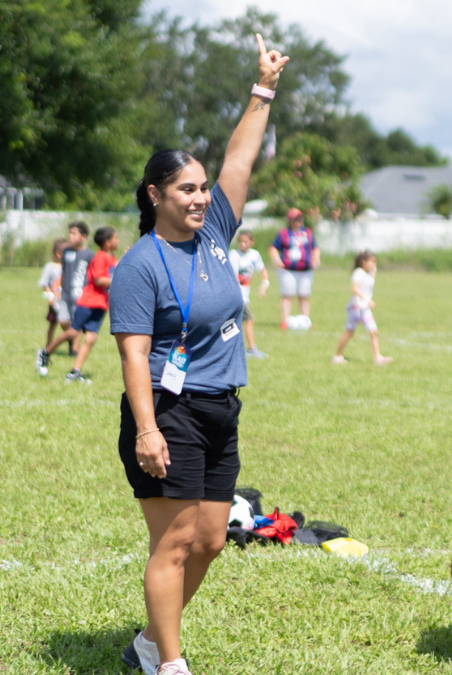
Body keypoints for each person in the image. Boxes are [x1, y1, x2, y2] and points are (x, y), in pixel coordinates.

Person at [107, 34, 288, 675]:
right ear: (155, 194)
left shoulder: (213, 232)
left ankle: (150, 645)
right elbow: (132, 357)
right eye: (185, 189)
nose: (200, 197)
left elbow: (239, 161)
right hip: (169, 411)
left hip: (220, 409)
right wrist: (149, 431)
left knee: (211, 540)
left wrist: (262, 89)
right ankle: (171, 664)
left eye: (202, 187)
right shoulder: (138, 265)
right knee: (176, 541)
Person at [45, 227, 120, 383]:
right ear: (107, 243)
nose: (118, 241)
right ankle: (46, 352)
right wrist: (118, 280)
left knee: (91, 338)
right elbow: (98, 280)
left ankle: (75, 371)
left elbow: (115, 270)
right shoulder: (100, 257)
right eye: (116, 238)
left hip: (101, 304)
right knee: (73, 332)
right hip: (89, 301)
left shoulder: (111, 258)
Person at [333, 250, 391, 365]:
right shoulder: (358, 273)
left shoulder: (367, 274)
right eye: (371, 261)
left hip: (364, 309)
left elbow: (370, 283)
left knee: (373, 331)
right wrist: (367, 300)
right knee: (349, 332)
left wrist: (373, 271)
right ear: (363, 262)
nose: (374, 264)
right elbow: (354, 288)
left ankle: (378, 358)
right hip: (356, 307)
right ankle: (337, 356)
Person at [269, 207, 319, 329]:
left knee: (304, 295)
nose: (297, 221)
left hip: (305, 269)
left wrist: (316, 259)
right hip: (288, 269)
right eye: (294, 219)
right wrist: (277, 260)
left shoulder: (308, 233)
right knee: (287, 295)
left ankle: (306, 320)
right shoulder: (283, 233)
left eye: (299, 219)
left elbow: (315, 247)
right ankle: (285, 321)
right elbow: (273, 247)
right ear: (290, 220)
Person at [227, 229, 269, 358]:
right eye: (240, 242)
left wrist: (265, 283)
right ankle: (251, 349)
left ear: (252, 242)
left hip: (244, 295)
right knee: (249, 320)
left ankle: (230, 350)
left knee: (233, 323)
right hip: (236, 295)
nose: (242, 244)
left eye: (245, 242)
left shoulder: (254, 255)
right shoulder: (234, 254)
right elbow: (230, 275)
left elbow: (262, 270)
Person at [35, 239, 71, 375]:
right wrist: (50, 295)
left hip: (67, 302)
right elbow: (45, 283)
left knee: (68, 325)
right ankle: (48, 346)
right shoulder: (51, 267)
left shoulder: (70, 266)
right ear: (58, 253)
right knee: (52, 324)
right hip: (54, 302)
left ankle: (72, 346)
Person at [61, 221, 95, 355]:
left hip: (81, 293)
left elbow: (92, 274)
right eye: (69, 233)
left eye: (74, 234)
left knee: (77, 320)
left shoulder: (89, 254)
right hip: (66, 293)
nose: (70, 236)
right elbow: (63, 271)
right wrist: (59, 288)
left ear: (83, 236)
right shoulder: (66, 252)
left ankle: (74, 350)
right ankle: (71, 337)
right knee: (64, 321)